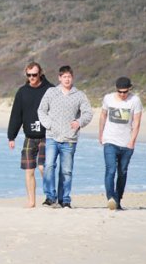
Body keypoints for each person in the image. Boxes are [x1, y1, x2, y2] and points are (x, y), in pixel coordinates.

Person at [38, 65, 93, 208]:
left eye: (69, 77)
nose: (67, 79)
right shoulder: (51, 92)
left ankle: (65, 200)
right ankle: (50, 197)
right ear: (59, 78)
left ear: (72, 78)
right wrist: (48, 124)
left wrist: (79, 122)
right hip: (51, 137)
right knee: (49, 166)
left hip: (69, 139)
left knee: (66, 171)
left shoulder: (79, 95)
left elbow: (88, 113)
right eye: (64, 77)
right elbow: (41, 110)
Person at [7, 62, 53, 207]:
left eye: (34, 74)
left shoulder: (50, 89)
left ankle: (50, 197)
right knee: (29, 171)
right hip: (29, 137)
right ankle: (31, 202)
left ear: (40, 73)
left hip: (47, 135)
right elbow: (16, 115)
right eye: (29, 75)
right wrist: (11, 136)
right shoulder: (22, 92)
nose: (32, 77)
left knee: (43, 167)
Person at [99, 77, 143, 210]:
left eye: (125, 92)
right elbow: (103, 116)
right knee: (110, 170)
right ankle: (110, 198)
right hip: (110, 140)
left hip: (126, 143)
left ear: (129, 89)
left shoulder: (135, 100)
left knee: (122, 172)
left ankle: (117, 200)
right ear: (116, 89)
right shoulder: (108, 98)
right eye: (120, 92)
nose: (122, 94)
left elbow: (137, 122)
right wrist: (100, 134)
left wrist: (132, 141)